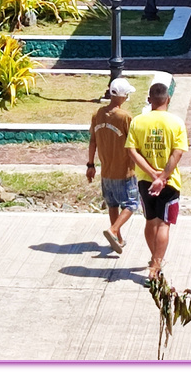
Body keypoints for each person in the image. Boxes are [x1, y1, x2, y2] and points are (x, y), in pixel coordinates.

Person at [124, 82, 188, 282]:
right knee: (164, 224)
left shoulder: (138, 122)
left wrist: (152, 174)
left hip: (145, 181)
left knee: (150, 221)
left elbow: (131, 151)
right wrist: (162, 177)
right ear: (167, 99)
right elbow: (177, 153)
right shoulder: (176, 123)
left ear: (149, 100)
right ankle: (156, 267)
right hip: (170, 183)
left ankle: (154, 259)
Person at [87, 77, 139, 255]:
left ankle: (118, 239)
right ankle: (114, 230)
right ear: (123, 96)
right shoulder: (125, 117)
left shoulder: (97, 114)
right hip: (124, 171)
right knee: (132, 203)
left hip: (105, 171)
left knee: (112, 204)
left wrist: (90, 164)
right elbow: (134, 142)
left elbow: (92, 141)